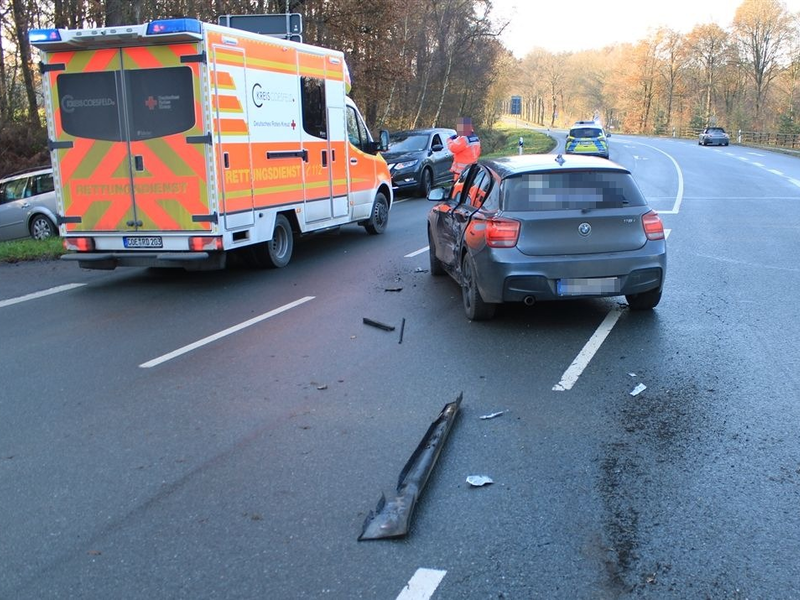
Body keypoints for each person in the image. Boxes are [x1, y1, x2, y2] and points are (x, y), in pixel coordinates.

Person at [447, 117, 481, 181]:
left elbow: (453, 148)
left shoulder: (464, 138)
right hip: (472, 167)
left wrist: (449, 140)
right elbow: (478, 152)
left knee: (459, 188)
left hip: (461, 171)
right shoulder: (475, 138)